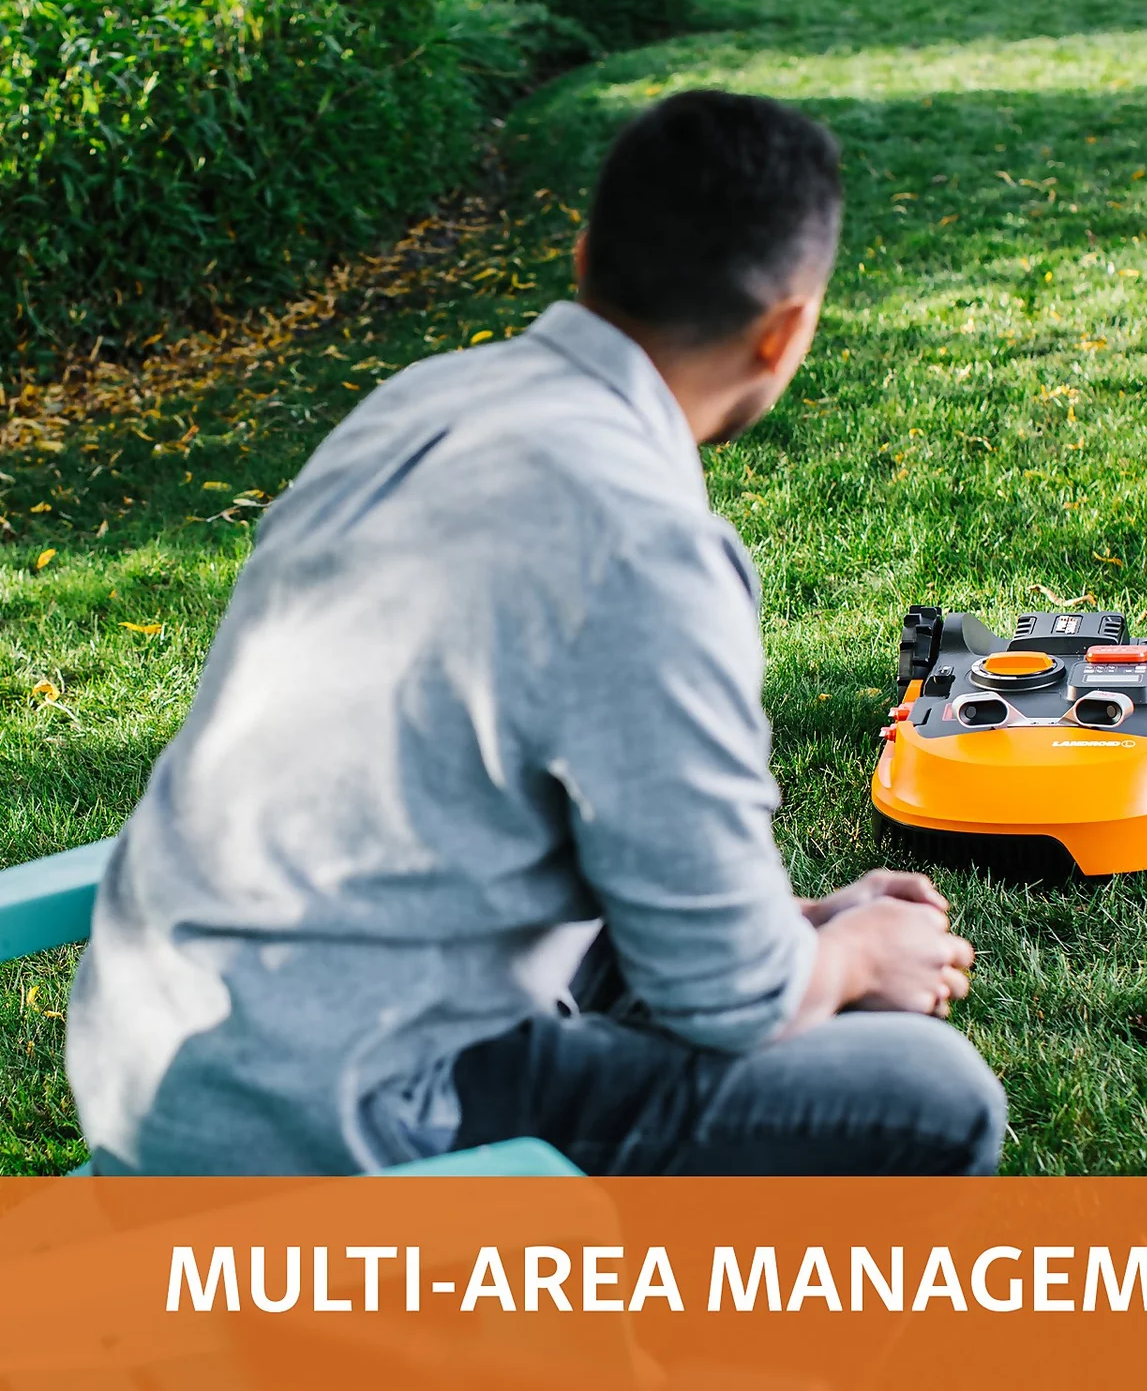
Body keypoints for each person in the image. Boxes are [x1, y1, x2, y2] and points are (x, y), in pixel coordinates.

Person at [66, 90, 1007, 1177]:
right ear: (785, 331)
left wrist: (795, 925)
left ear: (584, 257)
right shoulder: (646, 548)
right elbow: (735, 1004)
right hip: (326, 1125)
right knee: (931, 1095)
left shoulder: (419, 403)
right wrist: (851, 959)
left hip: (158, 1051)